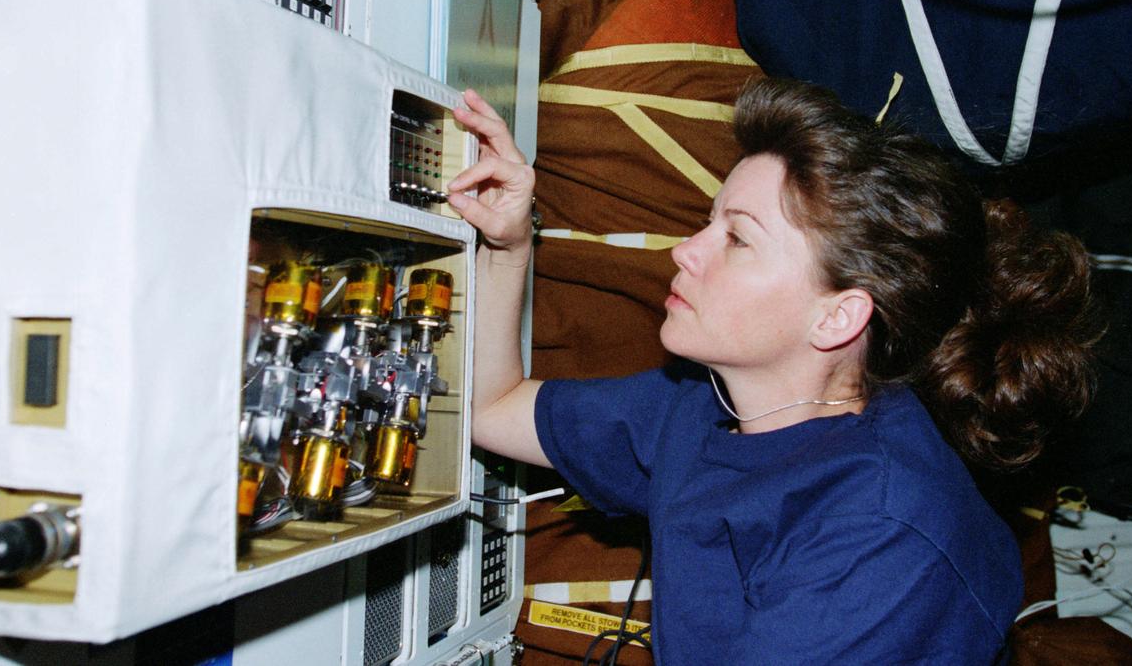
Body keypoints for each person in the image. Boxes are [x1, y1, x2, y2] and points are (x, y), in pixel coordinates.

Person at [446, 78, 1098, 664]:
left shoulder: (880, 544)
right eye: (709, 223)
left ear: (837, 318)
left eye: (738, 238)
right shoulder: (701, 404)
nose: (686, 250)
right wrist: (509, 244)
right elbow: (493, 408)